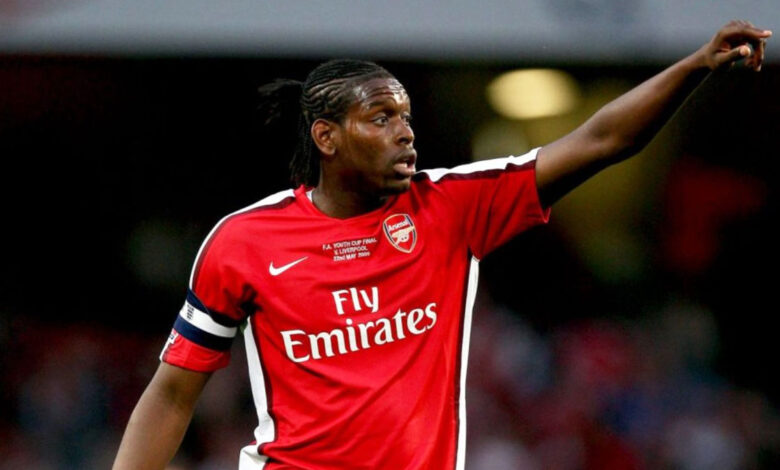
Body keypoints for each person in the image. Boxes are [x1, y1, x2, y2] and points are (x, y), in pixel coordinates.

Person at [113, 20, 770, 470]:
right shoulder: (243, 241)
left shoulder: (453, 207)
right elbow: (173, 394)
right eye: (380, 118)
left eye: (405, 116)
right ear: (326, 138)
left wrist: (695, 66)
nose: (405, 133)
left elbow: (602, 141)